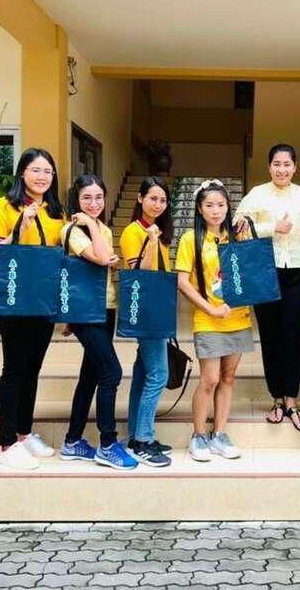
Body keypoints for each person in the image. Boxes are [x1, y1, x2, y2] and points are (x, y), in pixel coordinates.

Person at [0, 147, 66, 470]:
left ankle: (23, 433)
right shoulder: (3, 207)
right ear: (22, 172)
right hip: (17, 298)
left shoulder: (56, 211)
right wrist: (18, 227)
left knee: (33, 368)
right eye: (36, 170)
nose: (42, 177)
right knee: (14, 369)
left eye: (48, 171)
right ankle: (7, 444)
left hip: (43, 299)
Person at [235, 143, 300, 431]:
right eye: (276, 164)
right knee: (270, 335)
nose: (282, 169)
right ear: (269, 166)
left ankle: (291, 399)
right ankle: (276, 398)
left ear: (295, 167)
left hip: (298, 272)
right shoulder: (257, 194)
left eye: (287, 164)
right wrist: (271, 227)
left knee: (293, 335)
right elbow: (237, 227)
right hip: (265, 271)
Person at [58, 175, 137, 470]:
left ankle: (72, 441)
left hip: (105, 307)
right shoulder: (72, 229)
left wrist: (96, 228)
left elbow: (103, 266)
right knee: (111, 372)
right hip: (86, 312)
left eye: (99, 197)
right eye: (87, 198)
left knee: (90, 376)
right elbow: (103, 259)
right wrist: (90, 224)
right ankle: (107, 444)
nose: (94, 203)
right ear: (76, 200)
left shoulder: (102, 227)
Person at [176, 180, 253, 461]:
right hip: (208, 320)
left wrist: (247, 239)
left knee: (228, 378)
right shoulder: (190, 239)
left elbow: (250, 271)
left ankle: (219, 434)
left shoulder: (236, 236)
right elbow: (183, 282)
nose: (216, 210)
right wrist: (210, 308)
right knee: (209, 379)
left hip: (238, 318)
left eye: (221, 205)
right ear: (199, 208)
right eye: (209, 205)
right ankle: (198, 436)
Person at [119, 176, 174, 468]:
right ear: (140, 198)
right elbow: (142, 273)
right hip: (147, 312)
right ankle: (143, 440)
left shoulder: (157, 231)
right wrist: (151, 241)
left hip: (156, 309)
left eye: (163, 200)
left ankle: (135, 434)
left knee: (143, 374)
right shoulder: (134, 232)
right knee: (158, 375)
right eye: (153, 198)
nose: (158, 204)